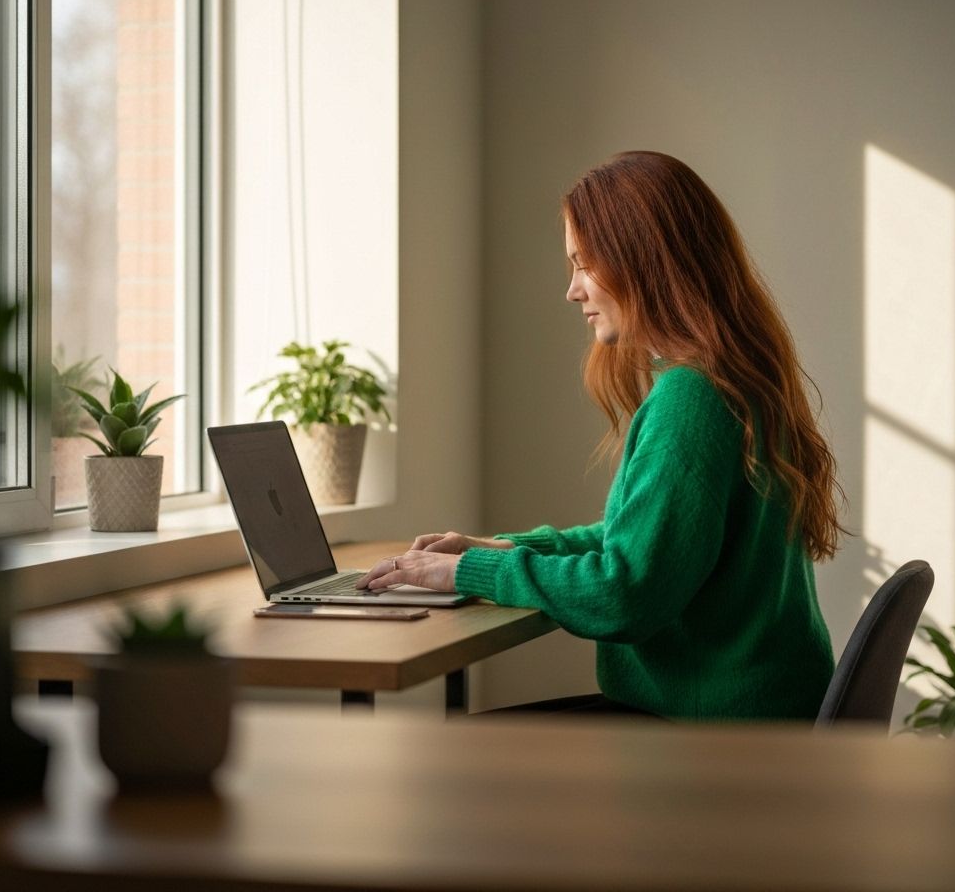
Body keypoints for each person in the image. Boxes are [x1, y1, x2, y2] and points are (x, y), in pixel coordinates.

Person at [358, 151, 844, 721]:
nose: (572, 290)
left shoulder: (692, 399)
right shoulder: (737, 381)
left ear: (643, 261)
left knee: (445, 764)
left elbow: (624, 595)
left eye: (583, 264)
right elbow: (641, 543)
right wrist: (504, 548)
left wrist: (464, 573)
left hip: (714, 742)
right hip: (755, 720)